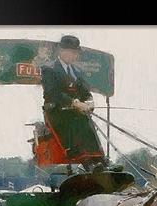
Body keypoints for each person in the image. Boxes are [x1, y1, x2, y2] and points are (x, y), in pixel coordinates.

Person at [41, 35, 119, 172]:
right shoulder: (49, 69)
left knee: (86, 119)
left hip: (75, 112)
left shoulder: (77, 72)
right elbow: (52, 93)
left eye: (75, 52)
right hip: (57, 111)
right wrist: (74, 102)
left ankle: (100, 159)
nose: (73, 55)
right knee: (79, 120)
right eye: (70, 51)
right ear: (61, 51)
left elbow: (85, 92)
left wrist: (89, 102)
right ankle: (88, 161)